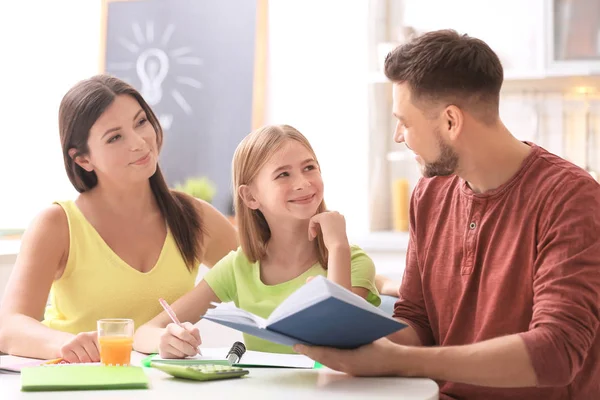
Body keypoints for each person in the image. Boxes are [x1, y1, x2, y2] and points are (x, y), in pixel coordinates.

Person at [294, 30, 600, 400]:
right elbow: (418, 322)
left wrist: (402, 362)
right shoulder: (429, 194)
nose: (398, 136)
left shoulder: (570, 197)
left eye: (405, 122)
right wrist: (340, 328)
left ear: (451, 121)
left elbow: (557, 352)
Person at [0, 75, 238, 363]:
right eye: (115, 137)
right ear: (82, 159)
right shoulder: (58, 224)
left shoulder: (194, 217)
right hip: (77, 385)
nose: (139, 142)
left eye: (141, 122)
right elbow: (9, 326)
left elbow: (261, 271)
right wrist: (66, 344)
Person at [134, 124, 381, 357]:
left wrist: (338, 247)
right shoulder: (238, 267)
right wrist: (167, 340)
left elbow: (337, 345)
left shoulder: (352, 261)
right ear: (250, 196)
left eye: (309, 168)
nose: (303, 183)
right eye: (283, 174)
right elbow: (144, 333)